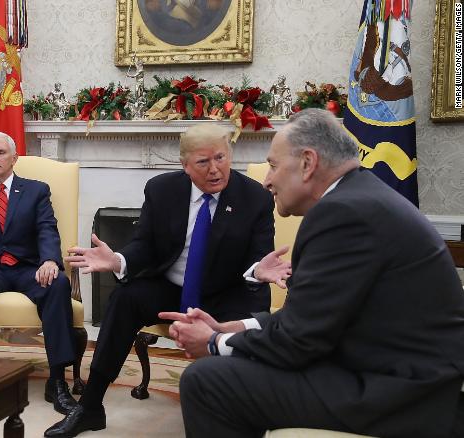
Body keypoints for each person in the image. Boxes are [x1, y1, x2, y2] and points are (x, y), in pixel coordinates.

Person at [162, 109, 464, 437]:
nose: (267, 181)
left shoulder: (345, 213)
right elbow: (310, 316)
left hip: (399, 392)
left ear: (307, 163)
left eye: (274, 166)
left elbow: (298, 341)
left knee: (207, 381)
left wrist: (215, 342)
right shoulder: (360, 197)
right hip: (389, 369)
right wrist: (238, 326)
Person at [45, 123, 275, 437]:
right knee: (125, 299)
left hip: (226, 293)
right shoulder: (162, 189)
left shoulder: (255, 198)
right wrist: (119, 260)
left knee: (248, 323)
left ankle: (239, 412)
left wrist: (258, 271)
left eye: (221, 158)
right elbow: (146, 244)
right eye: (203, 162)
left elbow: (260, 257)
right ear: (185, 166)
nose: (215, 169)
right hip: (172, 287)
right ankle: (90, 407)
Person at [0, 131, 78, 415]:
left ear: (14, 157)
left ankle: (57, 380)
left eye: (1, 153)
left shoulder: (36, 190)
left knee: (57, 284)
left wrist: (50, 261)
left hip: (29, 269)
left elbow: (46, 228)